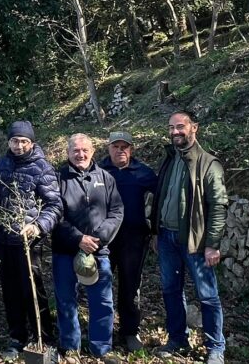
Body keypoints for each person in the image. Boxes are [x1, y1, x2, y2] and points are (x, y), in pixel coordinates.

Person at [151, 111, 228, 364]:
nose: (175, 132)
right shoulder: (170, 159)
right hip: (167, 238)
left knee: (207, 295)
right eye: (171, 127)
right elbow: (160, 197)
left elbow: (218, 206)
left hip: (195, 242)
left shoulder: (208, 163)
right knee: (171, 291)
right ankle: (177, 339)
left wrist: (212, 245)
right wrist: (156, 231)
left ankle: (216, 347)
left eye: (180, 126)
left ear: (194, 127)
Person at [0, 121, 62, 360]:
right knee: (10, 291)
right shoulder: (1, 163)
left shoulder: (42, 168)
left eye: (24, 141)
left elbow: (54, 204)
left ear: (31, 143)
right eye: (15, 141)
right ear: (8, 142)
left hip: (28, 241)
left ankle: (44, 337)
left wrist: (38, 226)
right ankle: (16, 337)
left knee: (33, 289)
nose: (19, 146)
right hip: (3, 238)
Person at [52, 133, 124, 364]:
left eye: (85, 150)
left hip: (98, 251)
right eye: (75, 150)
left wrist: (98, 238)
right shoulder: (57, 179)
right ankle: (70, 346)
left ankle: (101, 347)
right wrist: (77, 238)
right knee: (65, 299)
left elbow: (116, 212)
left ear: (93, 151)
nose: (80, 154)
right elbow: (54, 215)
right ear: (68, 153)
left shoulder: (106, 178)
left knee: (102, 301)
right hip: (65, 250)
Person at [97, 131, 157, 352]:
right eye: (116, 146)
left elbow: (162, 195)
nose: (120, 150)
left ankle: (130, 331)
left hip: (134, 239)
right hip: (104, 239)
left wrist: (156, 229)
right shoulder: (99, 171)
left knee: (130, 285)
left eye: (125, 146)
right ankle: (102, 331)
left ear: (131, 149)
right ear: (108, 148)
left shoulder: (143, 172)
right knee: (101, 283)